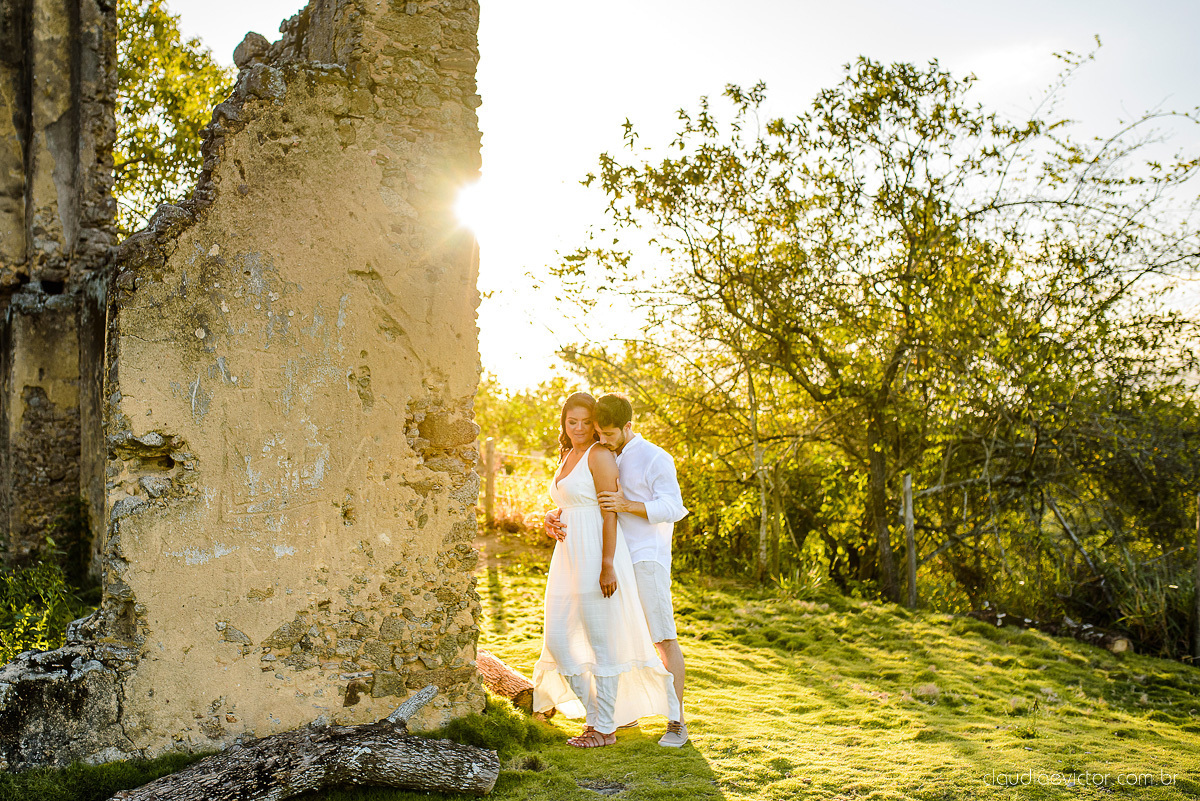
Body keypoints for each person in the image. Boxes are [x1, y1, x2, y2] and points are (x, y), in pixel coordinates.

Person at [531, 392, 678, 748]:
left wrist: (608, 565)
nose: (581, 429)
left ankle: (605, 728)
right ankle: (600, 716)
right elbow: (567, 502)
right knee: (559, 639)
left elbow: (610, 512)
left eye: (587, 423)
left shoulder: (601, 455)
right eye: (572, 422)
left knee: (606, 643)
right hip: (567, 556)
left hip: (599, 552)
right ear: (564, 423)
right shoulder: (567, 454)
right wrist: (549, 518)